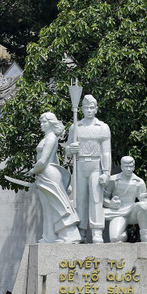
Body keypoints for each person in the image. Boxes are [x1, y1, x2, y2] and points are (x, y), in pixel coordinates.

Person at [66, 95, 111, 243]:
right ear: (81, 109)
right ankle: (81, 231)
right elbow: (67, 150)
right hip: (80, 165)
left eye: (92, 107)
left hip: (96, 165)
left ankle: (97, 231)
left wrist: (106, 172)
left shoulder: (103, 127)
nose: (89, 110)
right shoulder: (75, 126)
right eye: (86, 107)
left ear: (96, 109)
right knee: (80, 200)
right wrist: (70, 149)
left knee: (96, 198)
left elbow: (106, 151)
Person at [30, 112, 81, 243]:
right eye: (41, 122)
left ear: (51, 122)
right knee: (47, 207)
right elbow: (55, 159)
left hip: (48, 173)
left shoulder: (51, 138)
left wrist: (32, 171)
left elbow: (43, 160)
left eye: (44, 122)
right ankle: (49, 236)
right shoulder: (47, 138)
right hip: (44, 174)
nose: (42, 124)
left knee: (58, 206)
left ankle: (69, 235)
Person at [103, 156, 147, 243]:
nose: (129, 169)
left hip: (133, 212)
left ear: (134, 167)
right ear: (121, 167)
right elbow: (104, 198)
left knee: (142, 206)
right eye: (126, 166)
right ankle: (123, 235)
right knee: (114, 239)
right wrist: (110, 204)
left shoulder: (139, 182)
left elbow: (144, 200)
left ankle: (145, 234)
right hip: (118, 213)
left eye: (131, 166)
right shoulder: (113, 180)